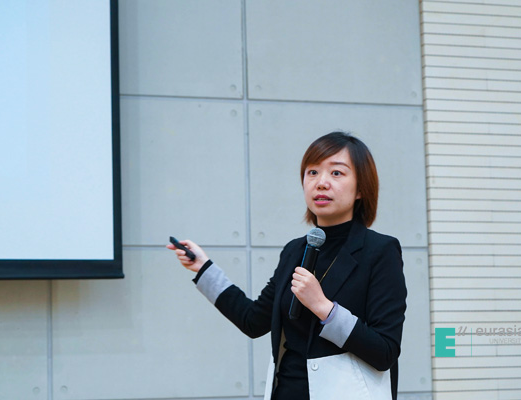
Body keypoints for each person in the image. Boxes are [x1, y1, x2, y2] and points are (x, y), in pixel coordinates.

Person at [167, 132, 407, 400]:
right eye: (312, 172)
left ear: (361, 188)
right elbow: (253, 320)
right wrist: (204, 268)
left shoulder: (380, 251)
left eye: (336, 173)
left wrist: (324, 308)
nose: (321, 183)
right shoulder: (295, 251)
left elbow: (385, 351)